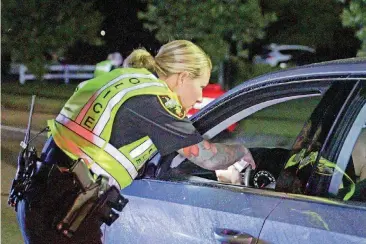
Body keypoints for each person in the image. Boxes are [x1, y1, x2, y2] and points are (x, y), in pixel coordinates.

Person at [15, 40, 255, 244]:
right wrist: (240, 151)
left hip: (42, 196)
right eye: (200, 86)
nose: (201, 95)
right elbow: (208, 156)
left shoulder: (126, 80)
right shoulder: (154, 100)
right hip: (65, 209)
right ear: (182, 77)